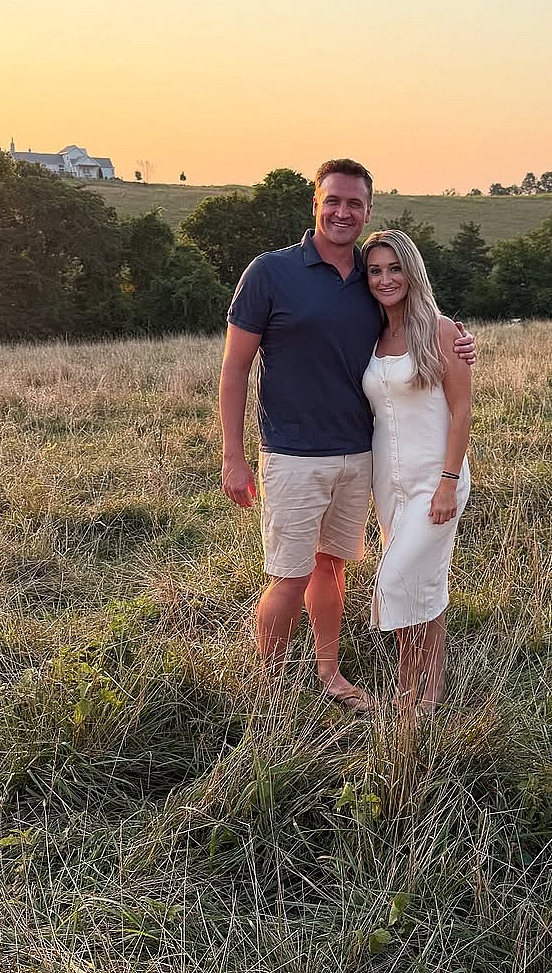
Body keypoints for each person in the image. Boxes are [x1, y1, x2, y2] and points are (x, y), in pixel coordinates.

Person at [219, 159, 474, 713]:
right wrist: (233, 457)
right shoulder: (269, 272)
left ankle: (329, 673)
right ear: (315, 202)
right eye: (333, 200)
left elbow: (417, 316)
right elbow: (235, 367)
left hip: (362, 456)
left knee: (333, 566)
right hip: (291, 453)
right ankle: (268, 689)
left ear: (367, 210)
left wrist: (461, 342)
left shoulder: (368, 276)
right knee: (291, 574)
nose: (342, 212)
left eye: (354, 203)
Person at [360, 229, 472, 713]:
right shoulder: (370, 333)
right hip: (390, 482)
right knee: (424, 584)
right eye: (375, 270)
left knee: (398, 580)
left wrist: (448, 482)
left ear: (412, 270)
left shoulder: (441, 329)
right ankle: (420, 689)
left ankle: (422, 688)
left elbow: (463, 410)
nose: (386, 279)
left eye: (394, 268)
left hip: (437, 478)